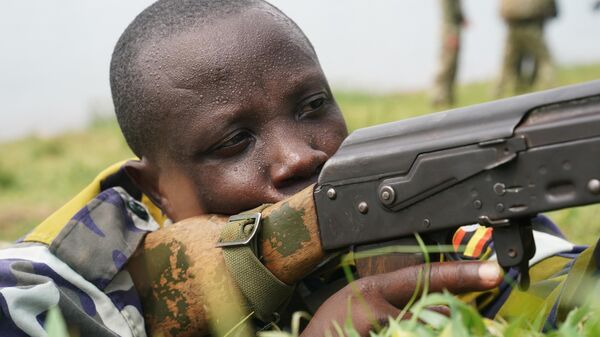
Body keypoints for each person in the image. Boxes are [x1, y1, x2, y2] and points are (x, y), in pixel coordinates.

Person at [0, 1, 594, 337]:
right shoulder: (82, 270)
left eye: (312, 106)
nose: (299, 156)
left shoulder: (441, 207)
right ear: (158, 190)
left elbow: (562, 288)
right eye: (234, 141)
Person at [496, 0, 558, 96]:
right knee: (543, 60)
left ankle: (499, 93)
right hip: (532, 20)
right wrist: (553, 13)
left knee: (509, 63)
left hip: (513, 19)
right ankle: (552, 90)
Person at [431, 0, 466, 108]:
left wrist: (461, 18)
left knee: (452, 66)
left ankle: (448, 97)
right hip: (450, 29)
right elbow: (447, 12)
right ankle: (438, 97)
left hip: (453, 28)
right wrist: (451, 33)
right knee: (446, 65)